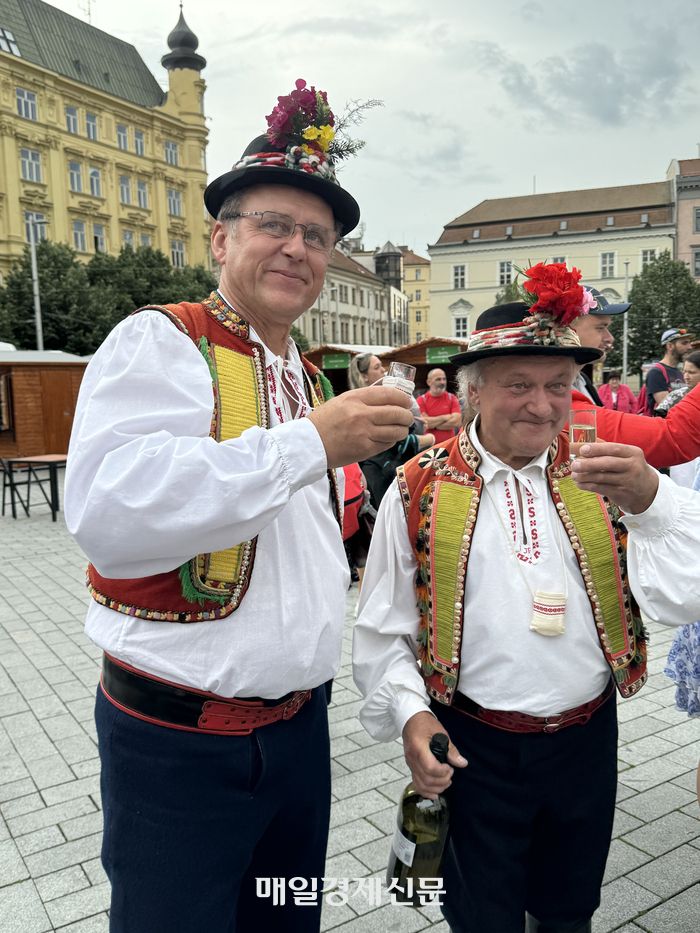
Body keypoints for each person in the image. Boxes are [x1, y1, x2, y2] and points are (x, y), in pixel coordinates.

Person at [64, 80, 413, 933]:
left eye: (317, 236)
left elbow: (303, 544)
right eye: (274, 225)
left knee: (283, 922)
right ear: (220, 237)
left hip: (298, 735)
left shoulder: (299, 371)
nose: (298, 247)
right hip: (180, 744)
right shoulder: (161, 337)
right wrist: (310, 444)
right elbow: (110, 510)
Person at [353, 261, 698, 933]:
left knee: (570, 913)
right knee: (481, 918)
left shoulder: (603, 466)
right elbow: (382, 626)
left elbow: (683, 598)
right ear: (473, 391)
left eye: (558, 385)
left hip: (586, 742)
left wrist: (652, 503)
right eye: (519, 385)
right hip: (473, 748)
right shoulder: (418, 483)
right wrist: (409, 715)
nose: (542, 405)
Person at [567, 286, 700, 468]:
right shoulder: (558, 397)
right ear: (567, 330)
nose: (610, 338)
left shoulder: (581, 381)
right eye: (601, 328)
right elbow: (673, 438)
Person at [348, 353, 434, 508]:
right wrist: (430, 439)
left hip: (393, 469)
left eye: (382, 365)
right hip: (381, 473)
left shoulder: (379, 399)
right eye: (377, 367)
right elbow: (395, 439)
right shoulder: (367, 404)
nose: (383, 370)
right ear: (365, 377)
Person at [644, 326, 695, 412]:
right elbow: (667, 408)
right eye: (684, 343)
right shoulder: (656, 373)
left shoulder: (680, 372)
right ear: (670, 346)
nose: (690, 347)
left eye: (689, 343)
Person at [416, 367, 462, 443]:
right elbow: (424, 423)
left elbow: (457, 422)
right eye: (438, 379)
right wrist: (446, 417)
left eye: (444, 379)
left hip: (449, 444)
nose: (442, 382)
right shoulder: (421, 400)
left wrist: (433, 425)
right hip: (429, 446)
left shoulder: (452, 398)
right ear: (429, 382)